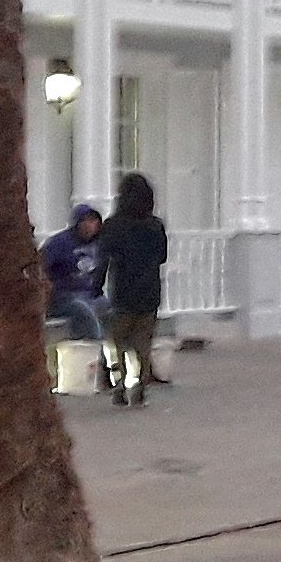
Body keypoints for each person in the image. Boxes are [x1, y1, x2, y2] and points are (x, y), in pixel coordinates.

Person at [102, 173, 171, 403]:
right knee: (143, 343)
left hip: (123, 290)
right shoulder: (155, 225)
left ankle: (120, 384)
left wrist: (97, 283)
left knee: (118, 342)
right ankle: (141, 383)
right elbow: (162, 256)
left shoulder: (113, 225)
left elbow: (105, 256)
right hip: (149, 290)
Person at [41, 201, 113, 393]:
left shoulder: (98, 245)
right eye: (86, 222)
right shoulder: (60, 244)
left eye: (94, 222)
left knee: (108, 308)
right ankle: (100, 365)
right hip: (64, 296)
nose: (90, 226)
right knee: (84, 311)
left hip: (89, 294)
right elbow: (41, 266)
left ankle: (123, 362)